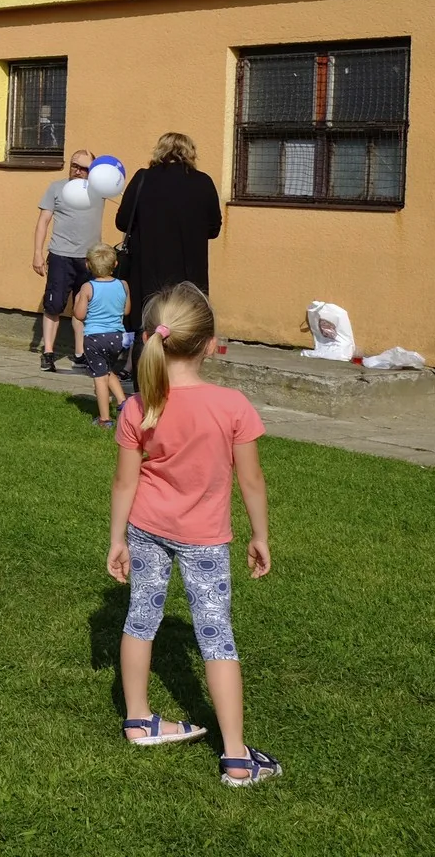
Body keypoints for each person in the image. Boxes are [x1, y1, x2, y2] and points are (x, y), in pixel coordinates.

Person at [107, 282, 279, 787]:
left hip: (145, 528)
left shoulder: (138, 406)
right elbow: (252, 480)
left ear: (148, 339)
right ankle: (236, 759)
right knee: (216, 634)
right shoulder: (232, 405)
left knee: (141, 618)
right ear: (209, 344)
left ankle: (138, 719)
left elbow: (124, 482)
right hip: (205, 539)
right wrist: (260, 535)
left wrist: (117, 538)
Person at [115, 133, 222, 353]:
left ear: (160, 151)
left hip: (147, 269)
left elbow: (122, 222)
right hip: (188, 272)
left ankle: (145, 372)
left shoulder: (143, 178)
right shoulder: (203, 182)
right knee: (185, 328)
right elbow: (214, 229)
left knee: (146, 328)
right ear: (190, 152)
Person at [34, 149, 101, 372]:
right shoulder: (56, 188)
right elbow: (43, 221)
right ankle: (48, 352)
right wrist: (37, 253)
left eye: (84, 168)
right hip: (61, 255)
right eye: (74, 165)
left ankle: (81, 354)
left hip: (89, 258)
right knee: (53, 305)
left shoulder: (99, 190)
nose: (77, 171)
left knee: (84, 307)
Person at [73, 244, 132, 427]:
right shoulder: (123, 285)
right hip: (117, 338)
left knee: (100, 378)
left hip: (94, 339)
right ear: (115, 264)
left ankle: (104, 419)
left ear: (87, 264)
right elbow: (126, 310)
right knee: (107, 369)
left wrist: (78, 300)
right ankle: (123, 402)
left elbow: (79, 315)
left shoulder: (87, 287)